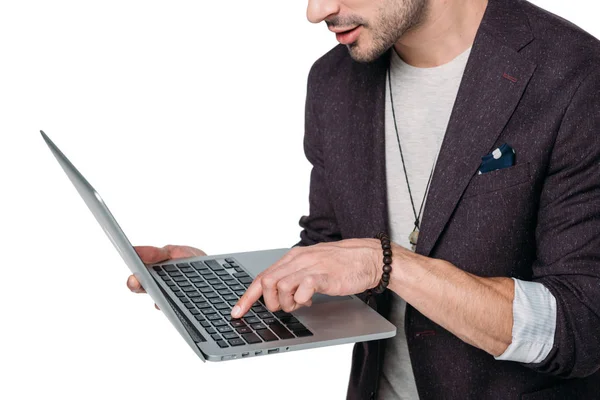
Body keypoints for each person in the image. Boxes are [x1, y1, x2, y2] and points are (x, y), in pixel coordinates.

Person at [128, 0, 600, 398]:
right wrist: (232, 286)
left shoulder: (575, 75)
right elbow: (330, 254)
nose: (317, 11)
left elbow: (582, 328)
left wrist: (388, 263)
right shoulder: (334, 81)